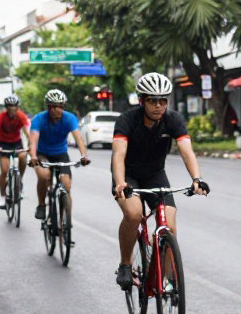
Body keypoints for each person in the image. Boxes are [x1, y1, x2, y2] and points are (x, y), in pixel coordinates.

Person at [111, 72, 209, 289]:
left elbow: (186, 151)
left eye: (163, 100)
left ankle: (165, 281)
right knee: (134, 214)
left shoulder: (173, 120)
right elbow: (118, 154)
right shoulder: (127, 120)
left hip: (155, 175)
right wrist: (120, 182)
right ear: (141, 101)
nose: (158, 106)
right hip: (128, 176)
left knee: (169, 226)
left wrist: (196, 178)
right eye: (152, 100)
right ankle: (125, 264)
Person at [28, 89, 90, 223]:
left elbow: (78, 138)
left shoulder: (69, 118)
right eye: (58, 107)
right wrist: (33, 157)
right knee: (43, 176)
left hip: (61, 154)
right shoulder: (39, 119)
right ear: (50, 107)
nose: (61, 110)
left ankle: (64, 222)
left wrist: (83, 155)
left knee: (66, 185)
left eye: (62, 106)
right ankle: (41, 205)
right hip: (43, 154)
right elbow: (32, 141)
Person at [0, 95, 30, 209]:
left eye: (14, 106)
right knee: (4, 171)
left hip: (16, 143)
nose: (12, 108)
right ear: (6, 107)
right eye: (9, 106)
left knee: (23, 156)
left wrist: (30, 145)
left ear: (17, 107)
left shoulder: (21, 116)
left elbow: (27, 133)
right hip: (3, 144)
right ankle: (3, 197)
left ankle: (19, 181)